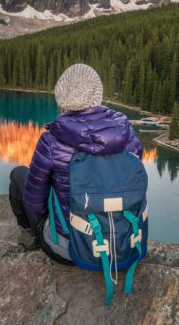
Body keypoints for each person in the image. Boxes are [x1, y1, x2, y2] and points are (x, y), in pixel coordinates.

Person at [9, 63, 143, 263]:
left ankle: (29, 236)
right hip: (123, 243)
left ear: (62, 98)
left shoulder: (51, 141)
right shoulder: (126, 134)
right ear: (98, 94)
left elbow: (34, 204)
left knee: (18, 174)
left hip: (69, 249)